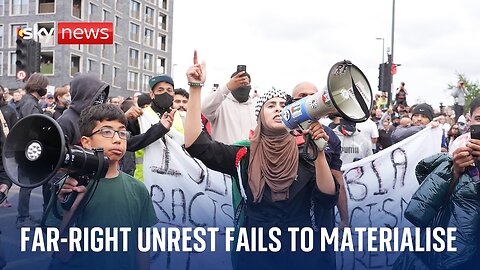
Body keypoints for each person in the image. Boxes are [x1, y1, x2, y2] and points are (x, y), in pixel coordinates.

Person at [184, 52, 338, 269]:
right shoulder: (243, 156)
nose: (277, 108)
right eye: (270, 105)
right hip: (256, 255)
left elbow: (327, 197)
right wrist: (195, 87)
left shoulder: (306, 153)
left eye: (283, 105)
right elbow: (195, 143)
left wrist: (320, 153)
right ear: (260, 117)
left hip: (301, 253)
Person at [47, 104, 159, 270]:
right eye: (106, 132)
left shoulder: (138, 189)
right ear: (86, 142)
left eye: (122, 132)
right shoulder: (69, 188)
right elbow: (63, 254)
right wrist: (69, 209)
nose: (117, 139)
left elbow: (142, 248)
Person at [394, 97, 480, 269]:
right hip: (455, 245)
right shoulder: (459, 146)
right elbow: (437, 203)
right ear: (469, 120)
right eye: (478, 119)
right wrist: (455, 171)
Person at [291, 81, 349, 231]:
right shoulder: (282, 132)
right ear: (292, 102)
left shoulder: (330, 136)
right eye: (302, 96)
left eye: (313, 96)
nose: (308, 99)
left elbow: (336, 177)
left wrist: (344, 218)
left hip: (322, 213)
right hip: (290, 213)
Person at [15, 73, 50, 228]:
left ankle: (24, 216)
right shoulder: (31, 104)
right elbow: (35, 126)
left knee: (27, 183)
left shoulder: (28, 101)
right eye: (45, 86)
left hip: (26, 147)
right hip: (29, 148)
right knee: (27, 184)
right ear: (39, 86)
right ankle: (23, 218)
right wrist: (48, 116)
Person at [201, 67, 256, 144]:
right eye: (238, 83)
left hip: (250, 154)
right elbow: (204, 108)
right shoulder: (220, 104)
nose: (242, 86)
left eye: (245, 83)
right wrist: (227, 87)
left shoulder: (255, 106)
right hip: (224, 154)